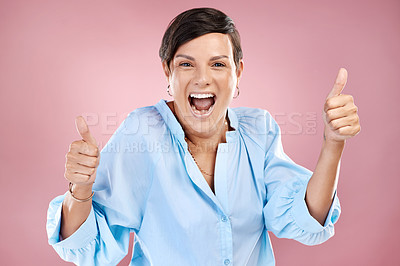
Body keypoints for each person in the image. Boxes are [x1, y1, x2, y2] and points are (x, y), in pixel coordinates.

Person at [46, 7, 360, 266]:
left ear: (238, 71)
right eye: (186, 64)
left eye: (218, 64)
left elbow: (306, 217)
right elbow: (86, 248)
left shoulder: (258, 130)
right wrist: (81, 189)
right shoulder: (141, 133)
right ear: (168, 71)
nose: (202, 78)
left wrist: (333, 143)